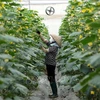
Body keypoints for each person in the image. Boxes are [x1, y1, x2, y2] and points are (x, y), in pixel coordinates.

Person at [36, 29, 61, 98]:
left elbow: (46, 51)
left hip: (51, 65)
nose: (51, 39)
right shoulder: (52, 44)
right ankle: (54, 92)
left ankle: (55, 94)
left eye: (53, 38)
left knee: (51, 78)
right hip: (49, 64)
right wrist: (40, 34)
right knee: (50, 78)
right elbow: (45, 40)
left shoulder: (54, 47)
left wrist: (41, 46)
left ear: (55, 40)